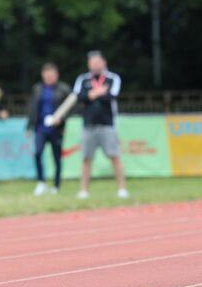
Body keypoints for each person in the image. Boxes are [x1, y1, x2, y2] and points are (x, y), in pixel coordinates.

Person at [73, 50, 128, 199]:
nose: (95, 65)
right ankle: (83, 190)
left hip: (107, 125)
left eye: (97, 62)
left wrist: (92, 95)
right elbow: (79, 97)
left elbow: (111, 96)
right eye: (92, 62)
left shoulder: (113, 78)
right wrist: (98, 93)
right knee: (86, 159)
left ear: (104, 62)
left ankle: (122, 189)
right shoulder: (82, 79)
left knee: (114, 156)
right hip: (88, 125)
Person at [26, 63, 72, 195]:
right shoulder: (37, 88)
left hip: (57, 129)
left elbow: (71, 107)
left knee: (57, 157)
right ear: (43, 75)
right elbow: (33, 108)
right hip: (40, 128)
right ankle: (41, 182)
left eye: (52, 74)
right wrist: (29, 125)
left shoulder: (64, 89)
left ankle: (56, 185)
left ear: (56, 75)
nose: (49, 77)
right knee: (38, 153)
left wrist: (61, 120)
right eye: (47, 74)